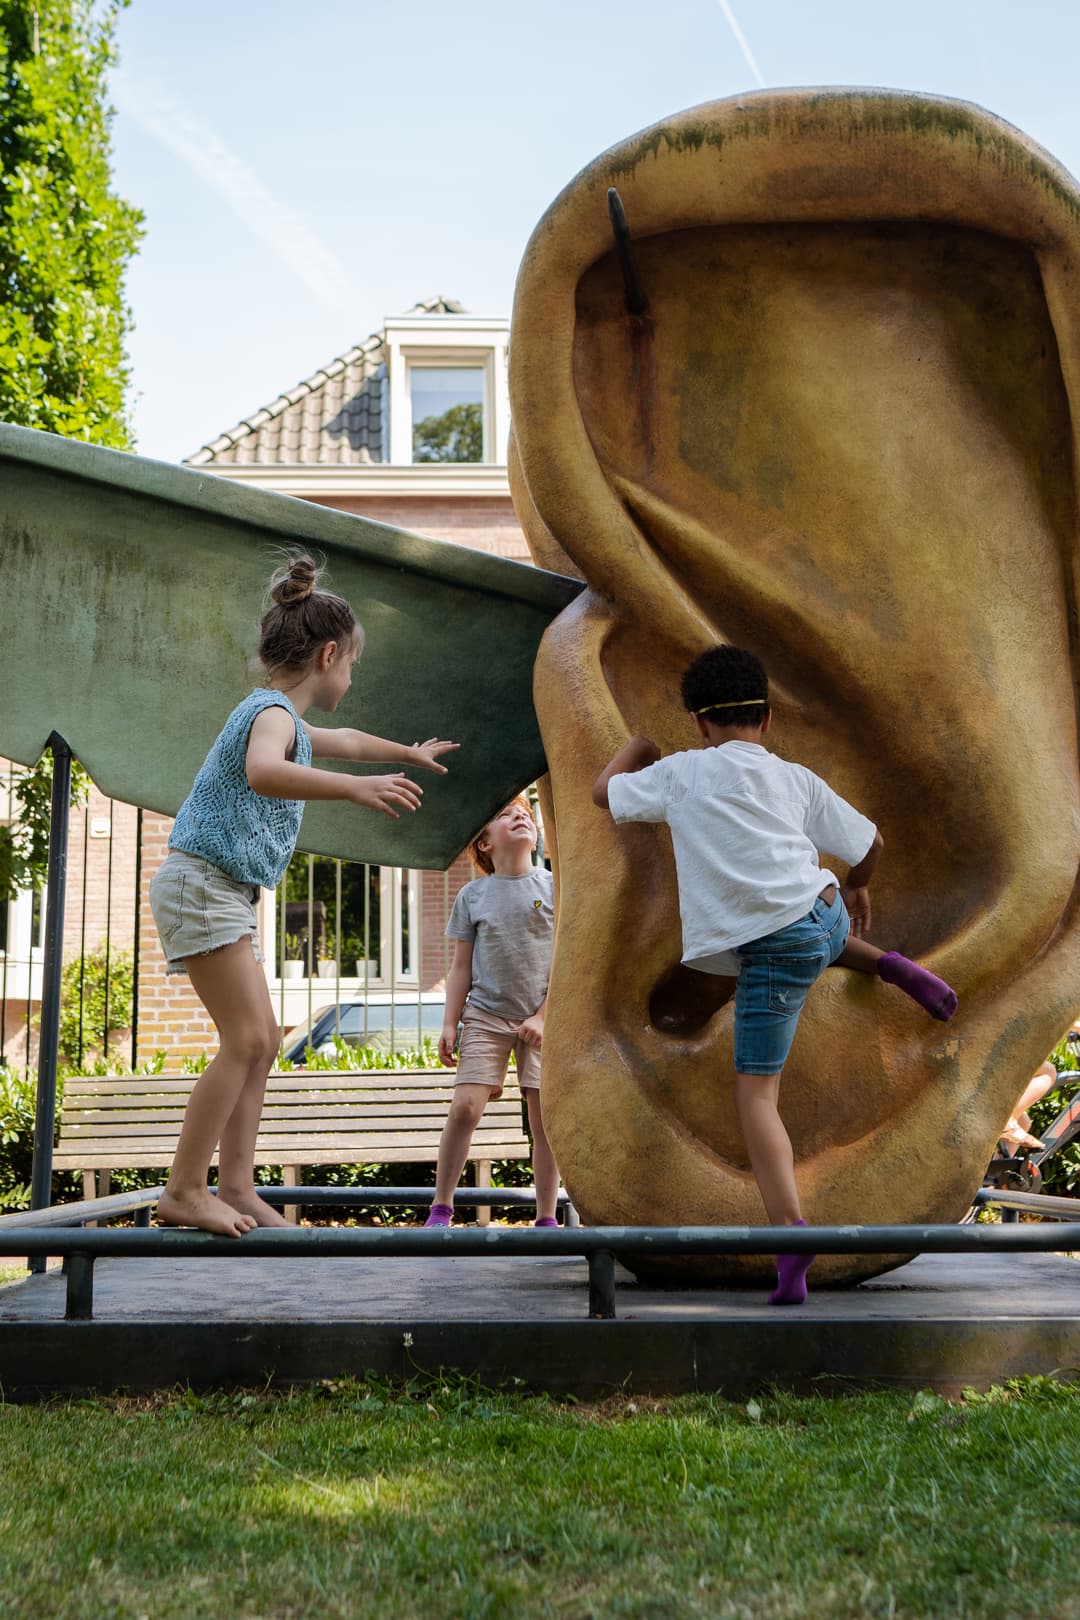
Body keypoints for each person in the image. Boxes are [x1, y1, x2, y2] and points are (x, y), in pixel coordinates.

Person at [591, 643, 957, 1306]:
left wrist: (641, 746)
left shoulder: (679, 775)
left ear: (700, 725)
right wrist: (858, 888)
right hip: (822, 914)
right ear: (767, 719)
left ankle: (792, 1238)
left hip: (771, 950)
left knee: (757, 1100)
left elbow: (600, 793)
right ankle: (898, 966)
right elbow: (872, 844)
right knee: (820, 937)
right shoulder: (794, 778)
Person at [149, 553, 458, 1237]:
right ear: (328, 655)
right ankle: (183, 1189)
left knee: (260, 1044)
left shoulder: (282, 714)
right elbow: (264, 771)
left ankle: (236, 1187)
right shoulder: (269, 715)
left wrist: (404, 754)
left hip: (216, 888)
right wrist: (355, 788)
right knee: (249, 1039)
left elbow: (338, 739)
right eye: (352, 663)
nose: (352, 675)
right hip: (203, 885)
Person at [424, 795, 560, 1228]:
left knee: (545, 1122)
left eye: (524, 812)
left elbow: (568, 959)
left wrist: (544, 1015)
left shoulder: (556, 887)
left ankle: (546, 1218)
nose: (520, 815)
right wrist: (451, 1020)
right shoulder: (472, 895)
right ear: (484, 842)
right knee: (465, 1107)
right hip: (485, 1013)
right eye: (505, 814)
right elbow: (461, 966)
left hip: (542, 1016)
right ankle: (441, 1208)